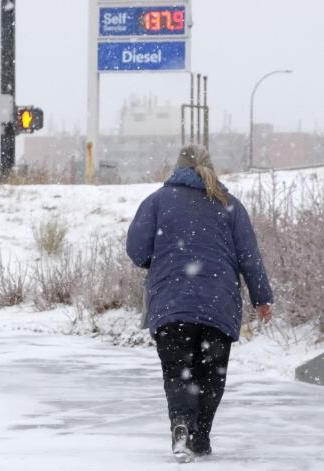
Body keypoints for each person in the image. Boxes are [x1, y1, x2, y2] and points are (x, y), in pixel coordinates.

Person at [126, 144, 273, 463]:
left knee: (177, 371)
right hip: (218, 305)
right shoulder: (229, 205)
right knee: (211, 373)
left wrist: (162, 261)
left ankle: (181, 424)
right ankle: (202, 436)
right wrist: (262, 298)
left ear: (177, 167)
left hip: (172, 304)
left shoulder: (156, 202)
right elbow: (249, 257)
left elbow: (137, 251)